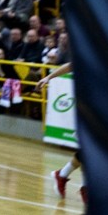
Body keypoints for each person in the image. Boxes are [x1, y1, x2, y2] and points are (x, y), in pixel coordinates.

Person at [37, 63, 87, 205]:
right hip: (91, 107)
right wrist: (48, 77)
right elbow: (72, 64)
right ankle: (84, 186)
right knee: (92, 149)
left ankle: (63, 175)